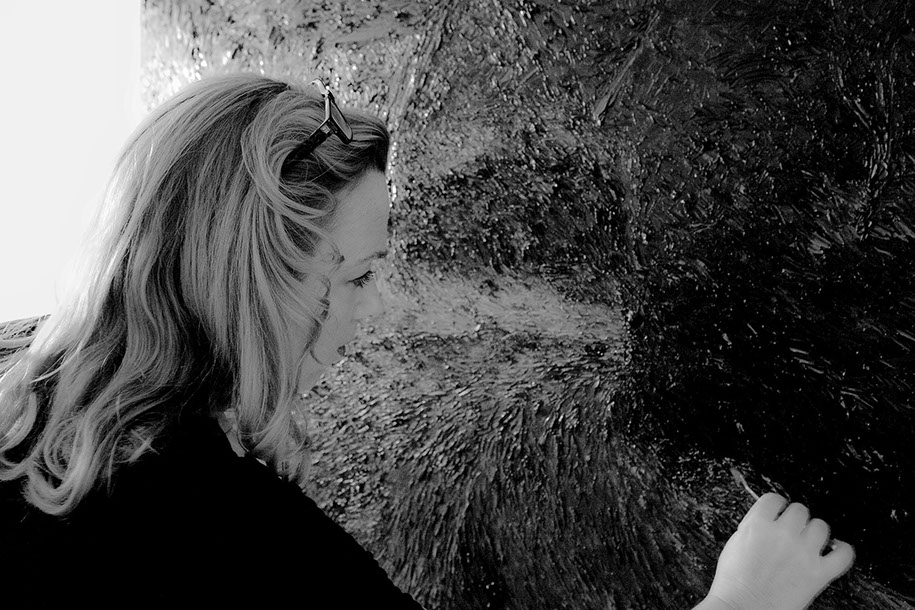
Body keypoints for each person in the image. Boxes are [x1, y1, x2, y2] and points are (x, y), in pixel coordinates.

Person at [0, 73, 853, 608]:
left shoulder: (23, 390)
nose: (372, 315)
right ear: (261, 274)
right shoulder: (222, 528)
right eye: (358, 276)